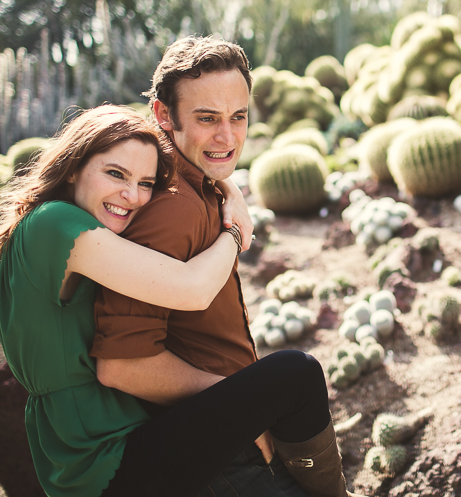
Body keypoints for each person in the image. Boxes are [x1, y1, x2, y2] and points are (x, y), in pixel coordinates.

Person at [0, 105, 342, 497]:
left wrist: (228, 189)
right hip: (106, 455)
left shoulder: (44, 227)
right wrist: (234, 231)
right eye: (115, 174)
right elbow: (193, 288)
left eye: (146, 182)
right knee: (295, 374)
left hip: (95, 443)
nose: (132, 196)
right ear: (74, 166)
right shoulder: (56, 224)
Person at [90, 37, 362, 497]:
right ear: (163, 115)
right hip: (223, 464)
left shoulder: (196, 183)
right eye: (207, 118)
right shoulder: (171, 210)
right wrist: (244, 407)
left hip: (233, 439)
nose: (228, 137)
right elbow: (121, 366)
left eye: (238, 117)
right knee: (298, 379)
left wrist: (230, 190)